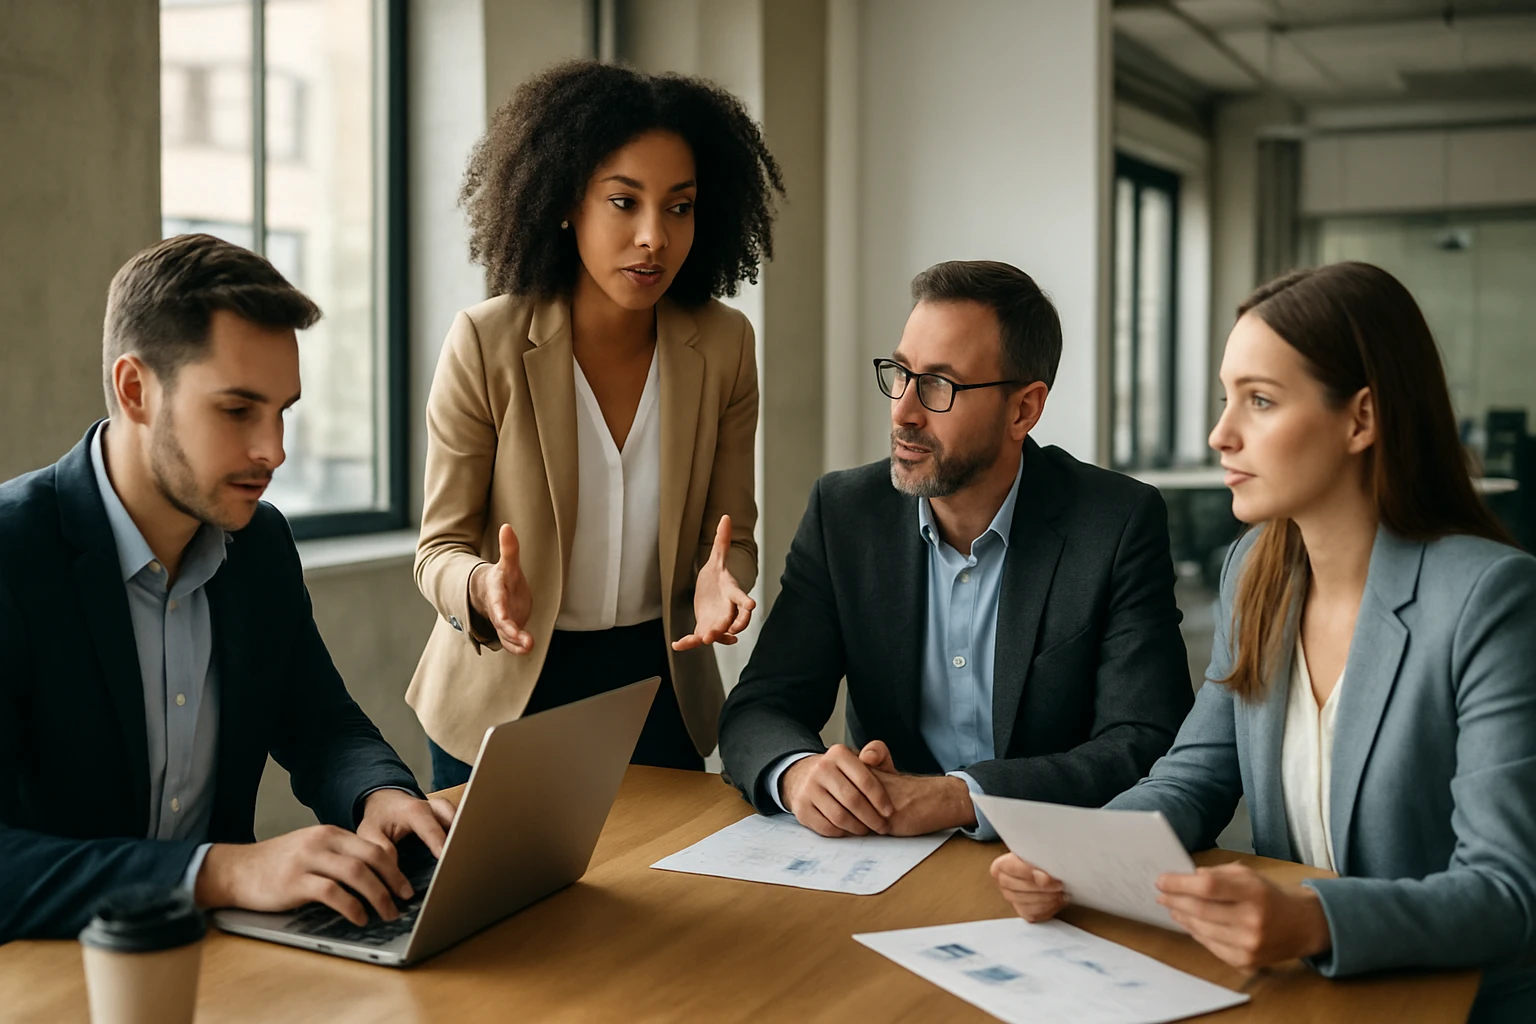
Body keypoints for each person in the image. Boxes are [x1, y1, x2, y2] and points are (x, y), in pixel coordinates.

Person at [990, 262, 1536, 1022]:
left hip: (1441, 1002)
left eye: (1261, 400)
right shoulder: (1258, 572)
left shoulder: (1489, 599)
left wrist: (1312, 919)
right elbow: (1194, 777)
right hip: (1297, 995)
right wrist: (1079, 859)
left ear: (1362, 418)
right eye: (1226, 397)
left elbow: (1508, 893)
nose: (1222, 433)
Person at [0, 234, 454, 942]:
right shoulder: (12, 554)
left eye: (283, 412)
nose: (273, 450)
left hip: (217, 966)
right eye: (238, 411)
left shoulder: (259, 544)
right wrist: (222, 872)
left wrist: (380, 794)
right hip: (51, 974)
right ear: (135, 390)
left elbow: (321, 724)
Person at [717, 260, 1194, 840]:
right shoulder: (845, 513)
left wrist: (958, 797)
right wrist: (798, 775)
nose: (903, 410)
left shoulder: (1115, 523)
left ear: (1024, 409)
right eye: (900, 372)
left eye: (939, 385)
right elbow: (760, 706)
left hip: (1048, 860)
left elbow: (1145, 740)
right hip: (881, 862)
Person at [409, 60, 783, 787]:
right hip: (506, 688)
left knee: (665, 901)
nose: (654, 237)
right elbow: (438, 549)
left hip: (660, 686)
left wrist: (725, 580)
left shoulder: (727, 345)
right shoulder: (487, 343)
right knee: (511, 905)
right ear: (565, 203)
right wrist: (482, 586)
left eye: (679, 207)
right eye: (623, 202)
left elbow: (732, 536)